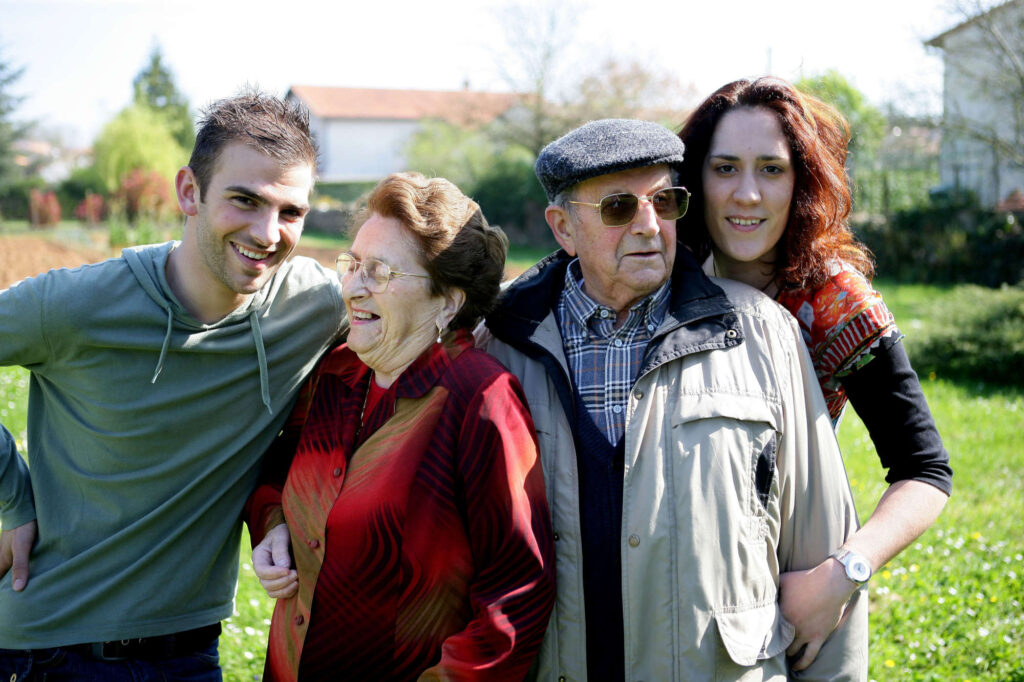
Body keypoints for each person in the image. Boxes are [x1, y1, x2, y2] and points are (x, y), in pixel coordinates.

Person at [479, 118, 867, 681]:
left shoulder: (763, 332)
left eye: (665, 202)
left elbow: (822, 539)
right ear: (563, 228)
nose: (648, 226)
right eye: (618, 208)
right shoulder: (501, 344)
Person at [0, 91, 346, 680]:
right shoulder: (78, 305)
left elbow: (427, 305)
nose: (268, 234)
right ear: (190, 192)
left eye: (291, 212)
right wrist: (12, 498)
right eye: (244, 200)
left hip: (191, 654)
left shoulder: (313, 304)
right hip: (53, 650)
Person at [677, 76, 952, 669]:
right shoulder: (663, 276)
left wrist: (843, 574)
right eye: (725, 168)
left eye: (771, 170)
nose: (746, 193)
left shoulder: (833, 300)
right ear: (695, 178)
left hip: (794, 560)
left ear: (803, 180)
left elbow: (925, 470)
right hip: (681, 562)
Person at [246, 172, 555, 681]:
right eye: (353, 265)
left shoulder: (479, 399)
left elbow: (518, 592)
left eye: (380, 272)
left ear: (448, 300)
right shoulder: (336, 373)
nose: (353, 286)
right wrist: (273, 527)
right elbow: (276, 471)